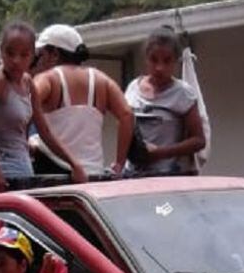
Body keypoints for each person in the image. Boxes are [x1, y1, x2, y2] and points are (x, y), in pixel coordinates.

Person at [0, 21, 87, 191]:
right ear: (1, 52)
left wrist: (73, 163)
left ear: (33, 56)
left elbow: (44, 131)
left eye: (24, 55)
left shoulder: (27, 83)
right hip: (0, 177)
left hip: (23, 171)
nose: (16, 60)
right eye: (10, 53)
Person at [32, 24, 134, 177]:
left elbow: (25, 106)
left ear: (54, 54)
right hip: (92, 171)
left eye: (41, 54)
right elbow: (127, 115)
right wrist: (119, 164)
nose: (38, 61)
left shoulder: (48, 79)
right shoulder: (101, 79)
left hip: (53, 170)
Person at [124, 26, 205, 176]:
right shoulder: (133, 88)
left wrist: (161, 153)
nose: (159, 67)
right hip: (132, 174)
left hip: (167, 175)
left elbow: (199, 140)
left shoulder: (183, 93)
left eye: (167, 61)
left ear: (176, 61)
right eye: (153, 60)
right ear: (146, 59)